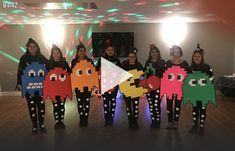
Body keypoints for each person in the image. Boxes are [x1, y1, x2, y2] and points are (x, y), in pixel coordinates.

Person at [16, 38, 48, 134]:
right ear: (28, 48)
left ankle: (41, 124)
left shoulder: (41, 57)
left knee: (41, 106)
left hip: (40, 87)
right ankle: (34, 124)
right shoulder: (24, 58)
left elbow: (49, 66)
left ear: (37, 47)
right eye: (30, 46)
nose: (32, 48)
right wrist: (19, 84)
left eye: (34, 46)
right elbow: (20, 71)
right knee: (32, 106)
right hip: (29, 88)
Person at [188, 44, 214, 136]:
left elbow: (211, 79)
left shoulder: (207, 68)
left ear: (202, 57)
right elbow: (187, 81)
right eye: (195, 56)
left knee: (202, 110)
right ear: (193, 57)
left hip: (203, 94)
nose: (197, 58)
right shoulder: (190, 68)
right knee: (195, 110)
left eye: (199, 56)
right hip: (194, 94)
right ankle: (195, 125)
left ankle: (201, 126)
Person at [96, 40, 122, 126]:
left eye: (112, 50)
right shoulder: (101, 60)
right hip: (104, 85)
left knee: (113, 101)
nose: (110, 51)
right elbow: (96, 70)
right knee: (106, 102)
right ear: (106, 51)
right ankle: (106, 119)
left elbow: (120, 72)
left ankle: (111, 118)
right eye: (108, 50)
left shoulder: (117, 60)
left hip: (114, 85)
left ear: (114, 51)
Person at [71, 42, 94, 127]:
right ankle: (81, 118)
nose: (82, 53)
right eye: (80, 51)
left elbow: (93, 73)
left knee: (87, 102)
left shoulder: (89, 61)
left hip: (87, 87)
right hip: (78, 86)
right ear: (77, 52)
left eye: (83, 51)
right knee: (80, 102)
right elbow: (72, 73)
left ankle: (86, 118)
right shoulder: (74, 61)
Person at [165, 45, 188, 129]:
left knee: (177, 105)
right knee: (169, 105)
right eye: (175, 52)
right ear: (172, 52)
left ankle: (176, 122)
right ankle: (169, 121)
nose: (176, 54)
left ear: (180, 53)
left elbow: (187, 75)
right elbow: (165, 75)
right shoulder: (168, 62)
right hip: (169, 88)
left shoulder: (185, 63)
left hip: (179, 88)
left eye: (178, 52)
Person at [48, 45, 71, 129]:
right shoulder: (48, 63)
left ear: (60, 54)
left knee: (61, 105)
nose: (56, 54)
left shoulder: (64, 63)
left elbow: (69, 73)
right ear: (52, 54)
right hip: (53, 90)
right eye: (54, 53)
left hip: (62, 89)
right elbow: (46, 77)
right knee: (55, 105)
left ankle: (61, 121)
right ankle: (57, 122)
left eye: (57, 53)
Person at [144, 44, 165, 128]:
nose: (154, 53)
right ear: (150, 53)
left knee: (156, 104)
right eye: (152, 52)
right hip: (149, 87)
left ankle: (158, 120)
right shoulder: (147, 62)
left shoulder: (162, 62)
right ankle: (153, 120)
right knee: (151, 104)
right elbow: (144, 74)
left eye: (156, 52)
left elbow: (165, 75)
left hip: (159, 87)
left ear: (158, 53)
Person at [122, 48, 143, 129]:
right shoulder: (124, 64)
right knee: (128, 106)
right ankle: (130, 121)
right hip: (126, 88)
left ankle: (135, 121)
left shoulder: (139, 65)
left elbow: (142, 77)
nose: (131, 58)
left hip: (136, 89)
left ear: (136, 57)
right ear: (128, 57)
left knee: (135, 106)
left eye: (133, 57)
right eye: (130, 57)